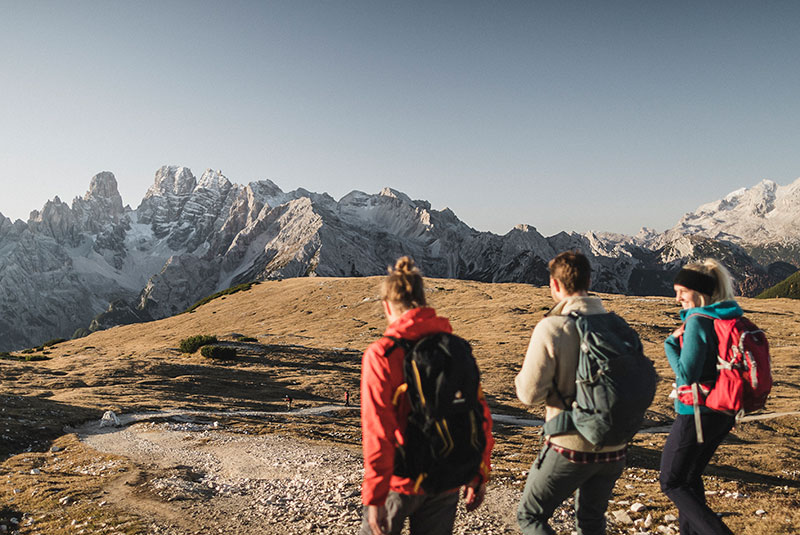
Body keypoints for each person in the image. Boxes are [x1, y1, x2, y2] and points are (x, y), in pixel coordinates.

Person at [360, 256, 494, 535]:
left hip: (401, 481)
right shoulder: (455, 348)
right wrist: (480, 470)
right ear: (423, 302)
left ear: (387, 306)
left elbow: (378, 432)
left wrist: (374, 496)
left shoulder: (383, 355)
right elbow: (479, 413)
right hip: (447, 475)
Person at [515, 251, 627, 535]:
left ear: (554, 285)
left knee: (530, 516)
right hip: (615, 446)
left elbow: (529, 394)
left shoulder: (552, 327)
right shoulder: (616, 325)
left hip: (570, 444)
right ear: (590, 280)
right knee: (591, 521)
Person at [661, 259, 740, 535]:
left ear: (699, 291)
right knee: (689, 479)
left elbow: (686, 375)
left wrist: (670, 344)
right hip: (722, 412)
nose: (677, 298)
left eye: (682, 291)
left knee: (671, 482)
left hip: (696, 413)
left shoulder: (697, 322)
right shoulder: (725, 316)